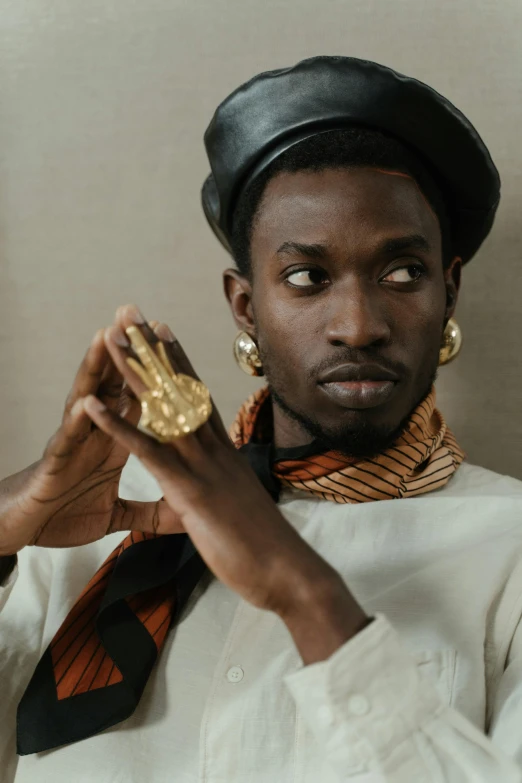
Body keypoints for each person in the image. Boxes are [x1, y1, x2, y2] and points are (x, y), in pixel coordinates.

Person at [1, 55, 522, 782]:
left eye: (402, 271)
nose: (358, 324)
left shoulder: (510, 548)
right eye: (307, 276)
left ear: (450, 291)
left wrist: (305, 591)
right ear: (246, 306)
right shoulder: (109, 527)